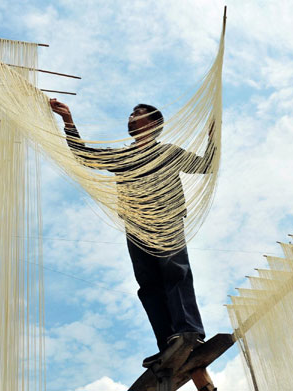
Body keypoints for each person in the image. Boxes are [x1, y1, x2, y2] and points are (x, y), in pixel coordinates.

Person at [50, 98, 216, 367]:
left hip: (166, 217)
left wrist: (213, 136)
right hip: (135, 223)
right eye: (131, 112)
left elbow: (206, 164)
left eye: (138, 113)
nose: (131, 116)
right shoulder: (124, 156)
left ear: (153, 124)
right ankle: (167, 344)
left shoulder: (167, 152)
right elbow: (86, 157)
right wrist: (68, 120)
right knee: (148, 284)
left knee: (175, 272)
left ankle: (189, 332)